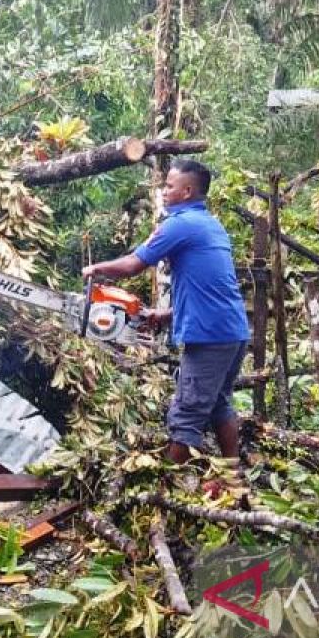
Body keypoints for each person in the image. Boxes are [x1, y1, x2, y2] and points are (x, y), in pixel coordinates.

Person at [81, 158, 250, 464]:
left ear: (187, 192)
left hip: (210, 337)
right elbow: (209, 287)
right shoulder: (211, 224)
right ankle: (234, 476)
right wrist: (167, 314)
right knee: (219, 404)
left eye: (169, 186)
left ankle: (166, 485)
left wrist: (96, 268)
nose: (163, 190)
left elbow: (133, 265)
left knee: (187, 411)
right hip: (232, 331)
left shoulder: (180, 224)